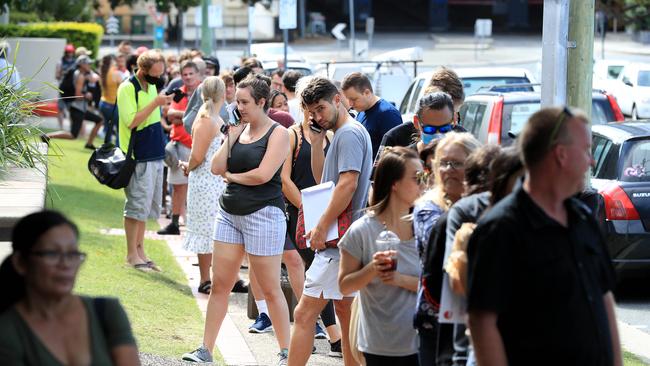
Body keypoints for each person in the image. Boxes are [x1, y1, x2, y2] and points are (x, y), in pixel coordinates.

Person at [466, 107, 623, 366]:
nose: (591, 161)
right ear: (560, 154)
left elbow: (604, 299)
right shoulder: (501, 229)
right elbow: (482, 321)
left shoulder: (583, 218)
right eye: (586, 150)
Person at [182, 74, 291, 364]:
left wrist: (233, 176)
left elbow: (263, 175)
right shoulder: (237, 130)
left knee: (269, 287)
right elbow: (216, 166)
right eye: (237, 101)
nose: (239, 106)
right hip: (229, 213)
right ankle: (205, 349)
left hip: (264, 215)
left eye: (244, 102)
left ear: (261, 102)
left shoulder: (278, 133)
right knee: (220, 284)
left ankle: (286, 352)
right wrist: (230, 138)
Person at [288, 77, 373, 366]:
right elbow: (325, 178)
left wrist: (322, 225)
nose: (317, 117)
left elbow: (348, 183)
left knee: (303, 314)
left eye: (320, 109)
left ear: (338, 98)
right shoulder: (345, 132)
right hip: (346, 241)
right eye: (312, 112)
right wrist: (314, 144)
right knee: (346, 314)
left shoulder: (347, 134)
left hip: (338, 242)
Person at [0, 210, 140, 365]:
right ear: (20, 262)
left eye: (72, 254)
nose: (65, 264)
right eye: (52, 254)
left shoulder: (106, 312)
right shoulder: (8, 330)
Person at [338, 146, 425, 365]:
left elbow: (437, 288)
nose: (423, 185)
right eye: (417, 178)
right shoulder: (362, 230)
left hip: (422, 341)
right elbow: (344, 286)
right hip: (378, 345)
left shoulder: (426, 228)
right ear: (394, 184)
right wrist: (371, 269)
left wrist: (399, 280)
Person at [279, 79, 343, 354]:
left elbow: (325, 179)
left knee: (320, 275)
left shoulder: (329, 136)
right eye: (307, 109)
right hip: (299, 213)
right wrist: (306, 208)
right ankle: (334, 335)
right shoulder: (291, 135)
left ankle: (332, 334)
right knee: (315, 272)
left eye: (316, 109)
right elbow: (283, 180)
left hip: (324, 215)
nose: (313, 115)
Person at [412, 132, 480, 366]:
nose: (449, 169)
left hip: (479, 315)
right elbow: (443, 248)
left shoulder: (485, 203)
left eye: (457, 163)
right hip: (437, 319)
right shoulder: (427, 208)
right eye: (444, 163)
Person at [117, 50, 172, 271]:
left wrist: (162, 103)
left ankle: (140, 251)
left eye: (161, 74)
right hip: (138, 156)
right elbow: (131, 121)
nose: (158, 78)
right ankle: (132, 254)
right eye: (155, 74)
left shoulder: (151, 86)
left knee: (146, 209)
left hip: (155, 154)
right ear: (143, 69)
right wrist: (156, 103)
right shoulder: (128, 88)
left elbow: (150, 117)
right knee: (136, 207)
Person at [179, 76, 227, 294]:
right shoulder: (207, 120)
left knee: (212, 229)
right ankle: (205, 278)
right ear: (223, 94)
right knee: (206, 230)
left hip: (212, 181)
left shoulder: (213, 118)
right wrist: (188, 165)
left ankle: (215, 277)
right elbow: (198, 156)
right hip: (206, 180)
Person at [377, 67, 465, 161]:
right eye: (430, 129)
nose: (439, 134)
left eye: (446, 128)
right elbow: (378, 174)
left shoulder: (463, 138)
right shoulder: (394, 138)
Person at [158, 61, 202, 235]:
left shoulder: (203, 92)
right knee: (177, 187)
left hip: (198, 146)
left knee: (197, 189)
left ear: (198, 74)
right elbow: (170, 115)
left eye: (191, 73)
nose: (188, 77)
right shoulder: (179, 93)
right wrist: (191, 115)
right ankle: (174, 223)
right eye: (185, 74)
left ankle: (195, 226)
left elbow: (204, 116)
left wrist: (182, 117)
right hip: (179, 145)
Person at [341, 72, 402, 160]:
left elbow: (397, 155)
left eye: (354, 99)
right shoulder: (361, 111)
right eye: (348, 99)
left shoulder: (388, 114)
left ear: (367, 92)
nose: (350, 104)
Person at [68, 55, 104, 149]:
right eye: (88, 63)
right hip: (77, 108)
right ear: (82, 65)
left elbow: (95, 77)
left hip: (80, 108)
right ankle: (48, 136)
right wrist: (86, 95)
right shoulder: (80, 76)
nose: (90, 65)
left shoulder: (80, 74)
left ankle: (89, 143)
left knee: (99, 120)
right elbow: (77, 95)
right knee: (73, 135)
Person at [99, 54, 124, 142]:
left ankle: (106, 149)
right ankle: (118, 149)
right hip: (112, 105)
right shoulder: (115, 73)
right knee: (119, 128)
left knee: (108, 128)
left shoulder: (103, 72)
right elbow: (123, 88)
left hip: (103, 103)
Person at [55, 44, 76, 128]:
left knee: (71, 109)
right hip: (62, 88)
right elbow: (57, 76)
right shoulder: (60, 62)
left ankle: (72, 127)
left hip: (72, 89)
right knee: (60, 109)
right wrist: (64, 73)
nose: (69, 53)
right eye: (68, 52)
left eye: (71, 52)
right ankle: (61, 127)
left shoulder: (75, 62)